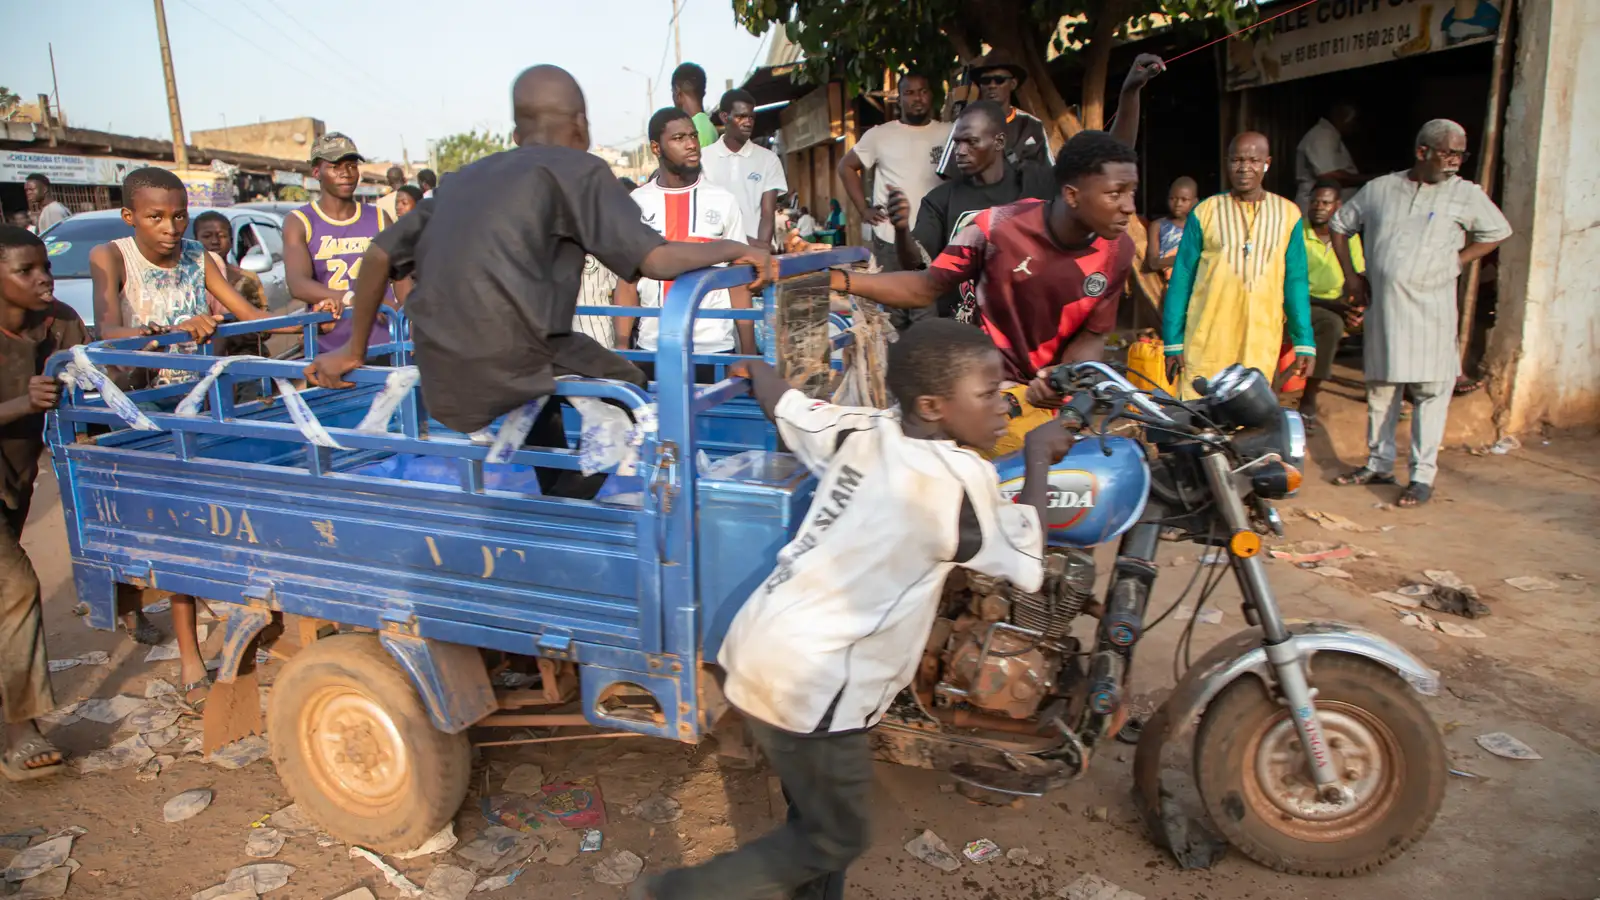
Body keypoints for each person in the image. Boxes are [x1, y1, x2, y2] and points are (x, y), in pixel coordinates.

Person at [636, 320, 1068, 900]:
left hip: (763, 647)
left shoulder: (862, 427)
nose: (1004, 407)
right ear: (932, 406)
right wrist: (1038, 456)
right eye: (989, 394)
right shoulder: (960, 480)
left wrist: (756, 370)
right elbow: (1028, 561)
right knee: (834, 839)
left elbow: (786, 407)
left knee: (813, 815)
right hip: (818, 683)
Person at [303, 65, 772, 500]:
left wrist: (353, 351)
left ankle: (556, 488)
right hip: (521, 355)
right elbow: (657, 258)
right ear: (581, 124)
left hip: (445, 378)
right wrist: (736, 248)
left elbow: (380, 254)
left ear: (517, 133)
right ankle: (571, 497)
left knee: (544, 369)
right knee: (628, 382)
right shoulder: (579, 170)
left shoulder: (465, 177)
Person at [88, 167, 309, 702]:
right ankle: (190, 658)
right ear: (130, 217)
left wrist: (311, 315)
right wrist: (166, 333)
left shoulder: (199, 258)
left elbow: (250, 317)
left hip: (200, 404)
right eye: (155, 217)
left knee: (222, 520)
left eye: (178, 216)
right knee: (176, 535)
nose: (171, 227)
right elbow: (106, 329)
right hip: (143, 410)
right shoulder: (112, 256)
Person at [826, 131, 1140, 457]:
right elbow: (925, 286)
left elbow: (1092, 335)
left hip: (1046, 404)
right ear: (1072, 195)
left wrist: (1061, 378)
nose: (1129, 207)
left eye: (1132, 192)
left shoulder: (1118, 252)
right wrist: (837, 280)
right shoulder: (998, 227)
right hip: (983, 393)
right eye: (1115, 194)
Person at [893, 56, 1163, 322]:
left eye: (971, 142)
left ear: (999, 142)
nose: (960, 151)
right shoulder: (940, 200)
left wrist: (1130, 92)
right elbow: (917, 264)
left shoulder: (1036, 182)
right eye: (958, 143)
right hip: (964, 336)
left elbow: (1110, 162)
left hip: (1029, 333)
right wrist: (902, 230)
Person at [1330, 119, 1511, 508]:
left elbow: (1497, 232)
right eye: (1448, 153)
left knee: (1430, 392)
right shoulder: (1381, 189)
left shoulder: (1465, 194)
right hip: (1385, 310)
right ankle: (1378, 464)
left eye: (1461, 153)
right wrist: (1352, 278)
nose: (1455, 161)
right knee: (1382, 388)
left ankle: (1421, 476)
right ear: (1421, 152)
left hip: (1433, 312)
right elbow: (1340, 225)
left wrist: (1456, 261)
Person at [0, 224, 86, 780]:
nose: (43, 279)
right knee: (16, 588)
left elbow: (97, 373)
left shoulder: (60, 323)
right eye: (25, 270)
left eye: (45, 267)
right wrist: (20, 404)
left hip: (15, 476)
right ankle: (20, 730)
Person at [1161, 132, 1315, 400]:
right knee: (1200, 412)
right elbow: (1182, 278)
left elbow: (1296, 281)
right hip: (1207, 338)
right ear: (1227, 163)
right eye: (1237, 160)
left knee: (1250, 412)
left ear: (1267, 163)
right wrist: (1173, 342)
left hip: (1260, 338)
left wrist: (1304, 341)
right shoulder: (1205, 212)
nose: (1244, 168)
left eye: (1253, 160)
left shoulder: (1289, 214)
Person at [614, 108, 757, 380]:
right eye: (679, 138)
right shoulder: (636, 203)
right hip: (653, 347)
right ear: (656, 148)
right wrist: (622, 347)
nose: (691, 144)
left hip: (714, 348)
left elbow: (738, 281)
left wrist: (748, 353)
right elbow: (627, 281)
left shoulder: (723, 201)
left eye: (693, 136)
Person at [837, 73, 951, 320]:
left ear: (931, 95)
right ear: (899, 99)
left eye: (922, 91)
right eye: (909, 93)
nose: (917, 98)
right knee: (892, 316)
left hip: (932, 242)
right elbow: (846, 167)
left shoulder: (949, 133)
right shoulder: (880, 135)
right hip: (889, 240)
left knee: (927, 314)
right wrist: (864, 209)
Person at [283, 133, 397, 355]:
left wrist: (407, 320)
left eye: (352, 166)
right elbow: (297, 283)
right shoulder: (300, 221)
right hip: (331, 349)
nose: (346, 173)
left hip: (385, 343)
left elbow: (400, 276)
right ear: (316, 172)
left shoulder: (379, 218)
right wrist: (354, 299)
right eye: (335, 166)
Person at [1298, 178, 1365, 426]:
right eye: (1314, 202)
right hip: (1302, 302)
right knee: (1332, 324)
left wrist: (1359, 307)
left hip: (1338, 301)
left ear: (1338, 206)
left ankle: (1387, 388)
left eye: (1325, 203)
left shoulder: (1349, 237)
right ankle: (1309, 396)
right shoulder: (1296, 233)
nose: (1318, 207)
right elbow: (1286, 287)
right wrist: (1339, 308)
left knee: (1383, 318)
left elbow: (1358, 274)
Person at [701, 89, 787, 249]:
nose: (748, 123)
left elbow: (767, 214)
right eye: (740, 117)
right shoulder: (703, 159)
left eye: (751, 117)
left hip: (757, 252)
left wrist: (761, 250)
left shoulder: (768, 160)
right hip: (716, 253)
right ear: (724, 117)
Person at [967, 52, 1051, 168]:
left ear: (1013, 84)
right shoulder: (965, 125)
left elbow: (1048, 172)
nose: (992, 86)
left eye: (999, 80)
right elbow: (948, 174)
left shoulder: (1032, 126)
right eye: (986, 81)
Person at [1294, 101, 1370, 210]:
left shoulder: (1332, 136)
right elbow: (1329, 175)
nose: (1356, 125)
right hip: (1318, 208)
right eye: (1354, 120)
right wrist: (1371, 178)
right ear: (1342, 118)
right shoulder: (1322, 136)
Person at [1145, 176, 1197, 283]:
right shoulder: (1157, 226)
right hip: (1166, 285)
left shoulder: (1199, 227)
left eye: (1184, 200)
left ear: (1195, 202)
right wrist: (1182, 258)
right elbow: (1152, 263)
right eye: (1172, 199)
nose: (1178, 204)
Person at [670, 62, 719, 148]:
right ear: (703, 92)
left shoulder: (693, 130)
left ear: (677, 93)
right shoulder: (709, 127)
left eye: (672, 92)